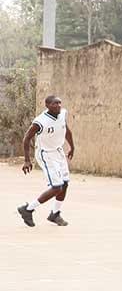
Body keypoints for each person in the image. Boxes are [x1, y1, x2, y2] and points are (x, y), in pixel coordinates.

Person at [18, 95, 76, 227]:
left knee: (65, 183)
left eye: (59, 103)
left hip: (58, 151)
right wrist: (27, 160)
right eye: (55, 104)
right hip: (45, 154)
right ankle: (27, 209)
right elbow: (26, 139)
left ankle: (55, 214)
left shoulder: (62, 114)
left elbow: (66, 131)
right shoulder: (40, 121)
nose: (58, 106)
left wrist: (72, 147)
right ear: (48, 105)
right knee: (57, 187)